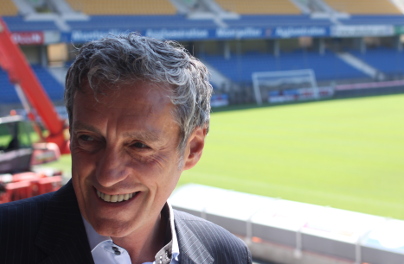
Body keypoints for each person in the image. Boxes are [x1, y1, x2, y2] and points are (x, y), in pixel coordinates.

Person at [0, 33, 252, 264]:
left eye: (139, 146)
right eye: (88, 138)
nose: (107, 175)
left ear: (193, 148)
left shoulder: (226, 254)